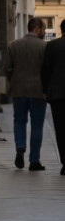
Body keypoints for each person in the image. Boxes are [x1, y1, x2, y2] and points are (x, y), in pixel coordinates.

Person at [5, 19, 48, 171]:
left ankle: (20, 148)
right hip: (38, 91)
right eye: (43, 29)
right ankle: (34, 160)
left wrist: (14, 80)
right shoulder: (44, 46)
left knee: (19, 120)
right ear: (36, 29)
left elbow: (7, 68)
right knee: (37, 125)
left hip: (18, 90)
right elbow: (47, 70)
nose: (44, 33)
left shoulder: (13, 45)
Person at [43, 22, 65, 176]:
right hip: (57, 93)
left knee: (61, 129)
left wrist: (45, 91)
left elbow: (45, 70)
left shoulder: (52, 46)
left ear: (61, 30)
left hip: (58, 95)